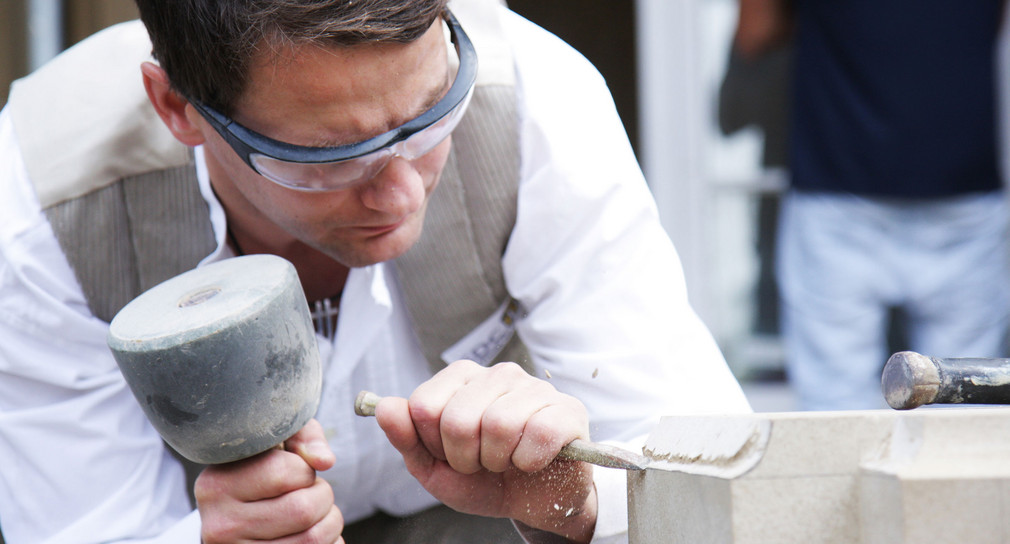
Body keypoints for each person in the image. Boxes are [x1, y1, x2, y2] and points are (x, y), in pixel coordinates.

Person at [0, 0, 751, 542]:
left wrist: (577, 505)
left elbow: (716, 478)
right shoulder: (42, 206)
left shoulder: (538, 109)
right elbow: (83, 526)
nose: (401, 193)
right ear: (177, 108)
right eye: (328, 156)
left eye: (430, 116)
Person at [734, 0, 1010, 410]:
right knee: (961, 414)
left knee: (836, 417)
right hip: (955, 175)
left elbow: (755, 30)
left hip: (841, 183)